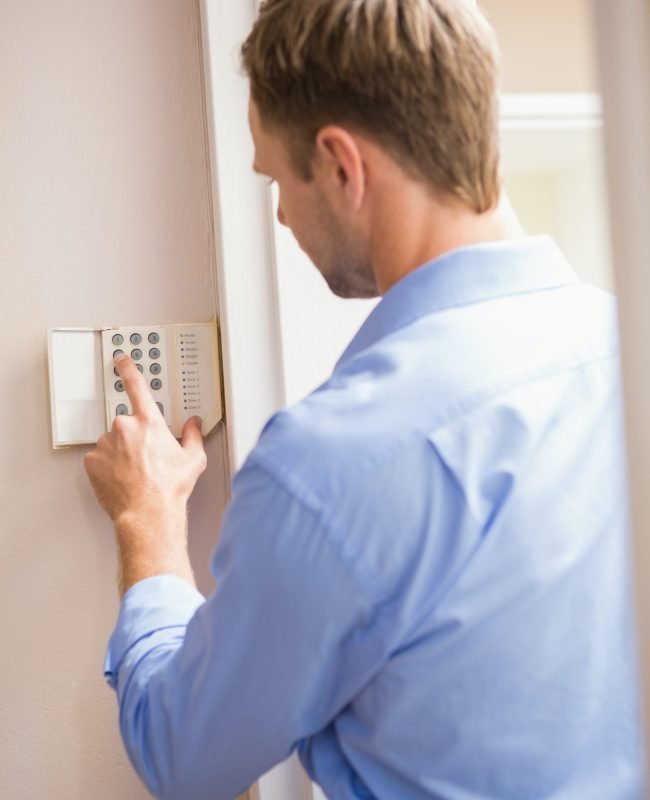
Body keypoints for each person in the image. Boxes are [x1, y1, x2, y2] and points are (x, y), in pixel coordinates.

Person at [83, 1, 645, 798]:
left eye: (277, 177)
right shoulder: (626, 351)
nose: (279, 212)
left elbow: (185, 760)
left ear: (342, 166)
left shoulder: (329, 464)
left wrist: (148, 525)